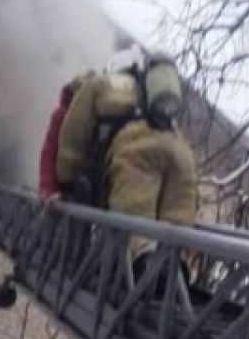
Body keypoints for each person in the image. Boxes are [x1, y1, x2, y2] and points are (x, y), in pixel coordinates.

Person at [54, 49, 197, 225]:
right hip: (181, 152)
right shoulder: (149, 96)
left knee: (133, 230)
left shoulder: (98, 85)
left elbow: (74, 135)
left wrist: (66, 178)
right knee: (178, 230)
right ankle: (176, 252)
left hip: (140, 152)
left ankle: (139, 251)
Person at [38, 72, 94, 199]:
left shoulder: (101, 116)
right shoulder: (62, 115)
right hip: (66, 190)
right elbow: (50, 154)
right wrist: (48, 191)